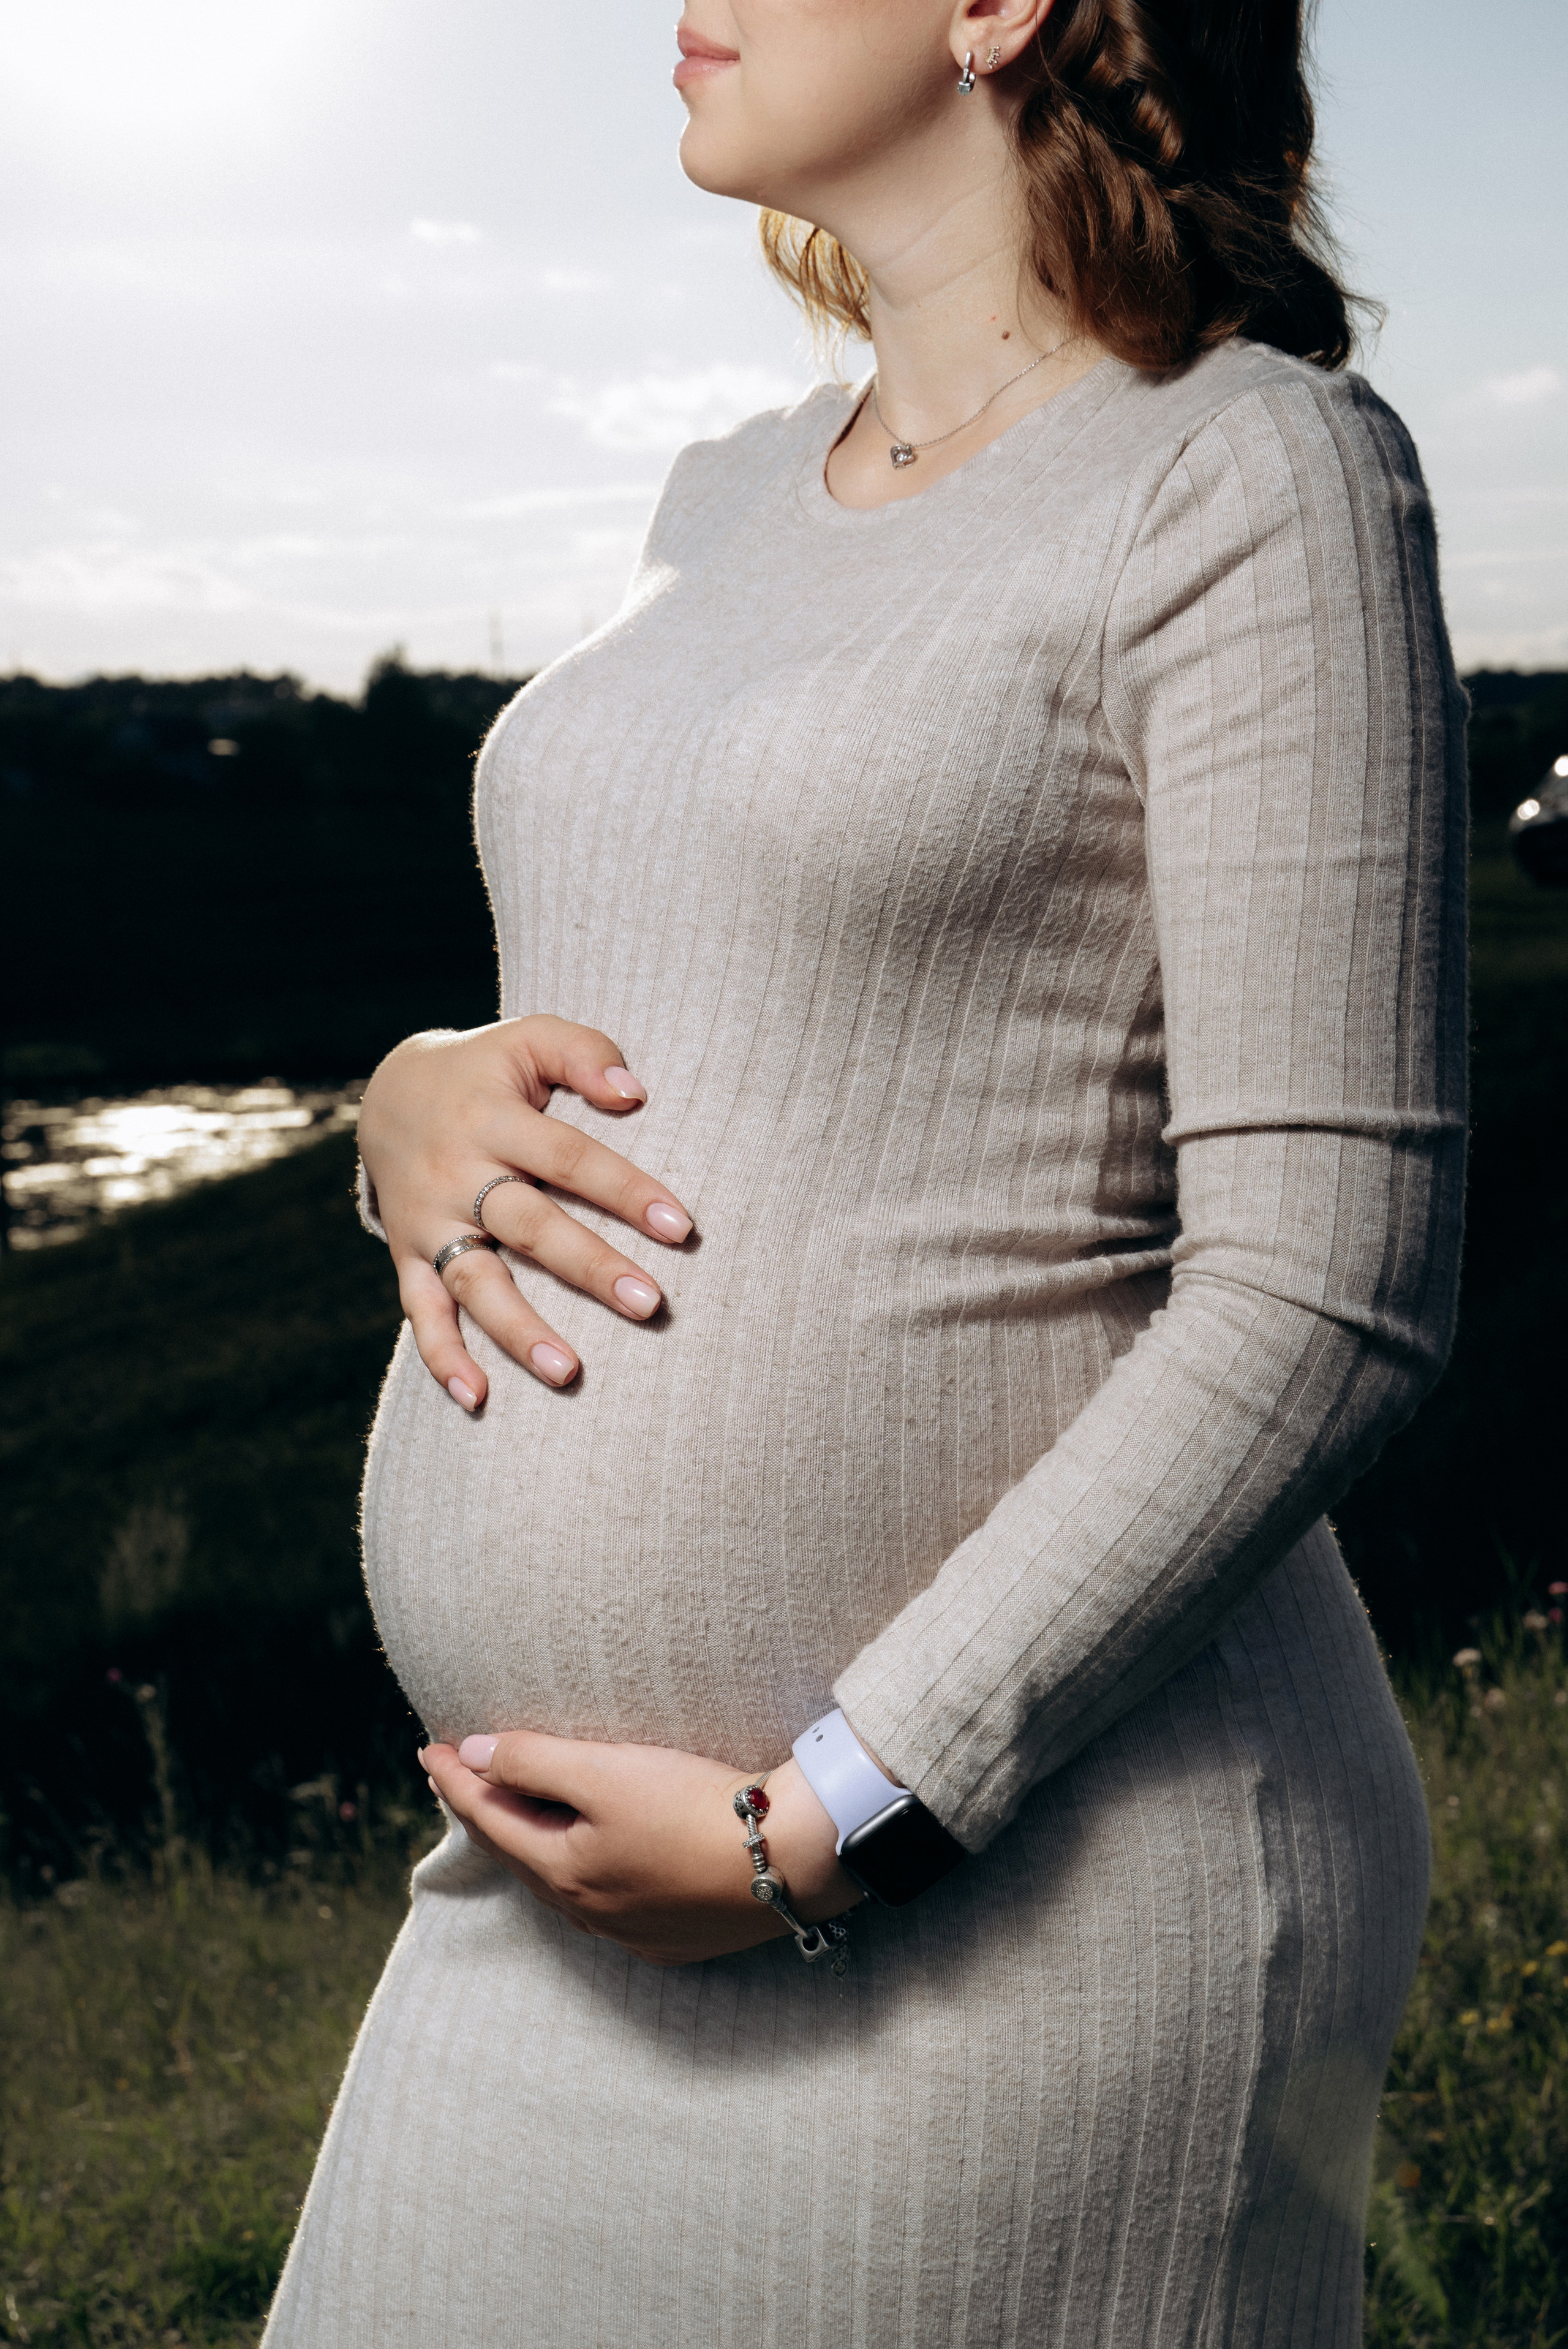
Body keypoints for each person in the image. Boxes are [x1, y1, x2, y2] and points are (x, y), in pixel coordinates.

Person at [262, 0, 1467, 2341]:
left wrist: (836, 1814)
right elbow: (693, 994)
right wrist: (403, 1103)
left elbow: (1329, 1282)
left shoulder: (1253, 470)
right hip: (539, 1907)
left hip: (1017, 1905)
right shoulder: (721, 490)